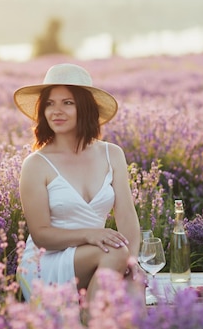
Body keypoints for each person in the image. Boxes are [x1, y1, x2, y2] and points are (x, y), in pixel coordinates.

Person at [13, 63, 146, 315]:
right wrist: (90, 235)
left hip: (100, 256)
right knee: (117, 253)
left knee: (134, 294)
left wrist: (133, 261)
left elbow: (127, 216)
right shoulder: (36, 164)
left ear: (84, 108)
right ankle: (88, 319)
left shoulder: (112, 154)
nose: (56, 111)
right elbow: (41, 236)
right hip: (47, 261)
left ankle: (91, 314)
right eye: (50, 104)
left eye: (68, 103)